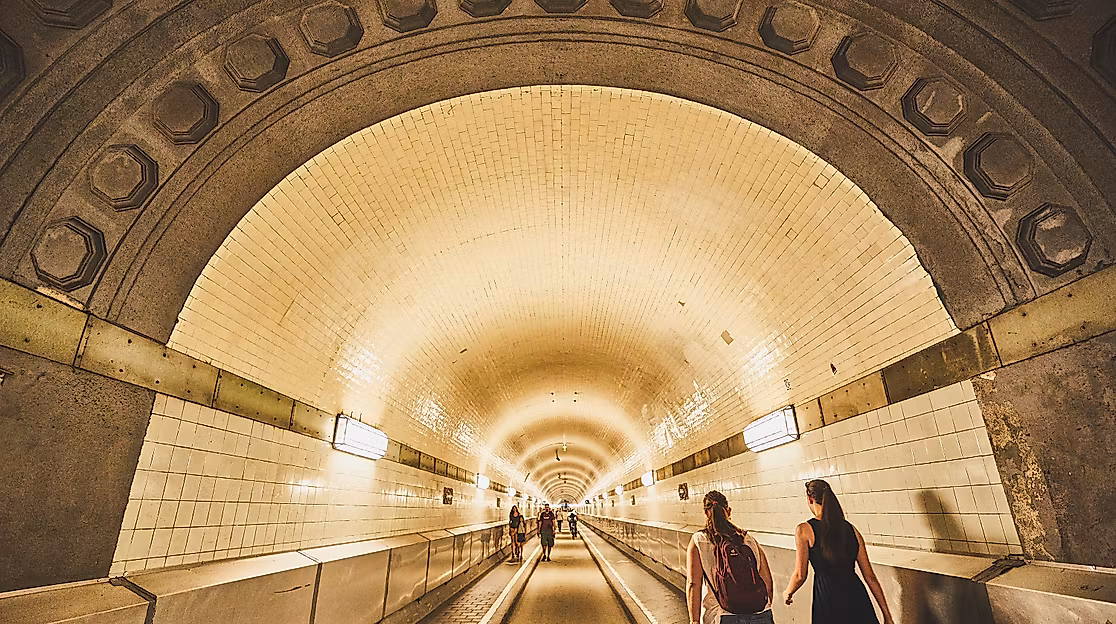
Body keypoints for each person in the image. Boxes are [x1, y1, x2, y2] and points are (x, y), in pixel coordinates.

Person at [783, 480, 894, 624]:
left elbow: (800, 575)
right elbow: (870, 577)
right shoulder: (852, 530)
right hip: (856, 597)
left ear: (810, 499)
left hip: (828, 598)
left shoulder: (804, 530)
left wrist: (788, 592)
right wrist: (887, 616)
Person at [687, 490, 774, 624]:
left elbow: (693, 584)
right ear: (729, 511)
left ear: (706, 513)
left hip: (723, 615)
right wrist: (761, 606)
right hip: (761, 614)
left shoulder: (699, 541)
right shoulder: (748, 539)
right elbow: (767, 580)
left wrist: (694, 621)